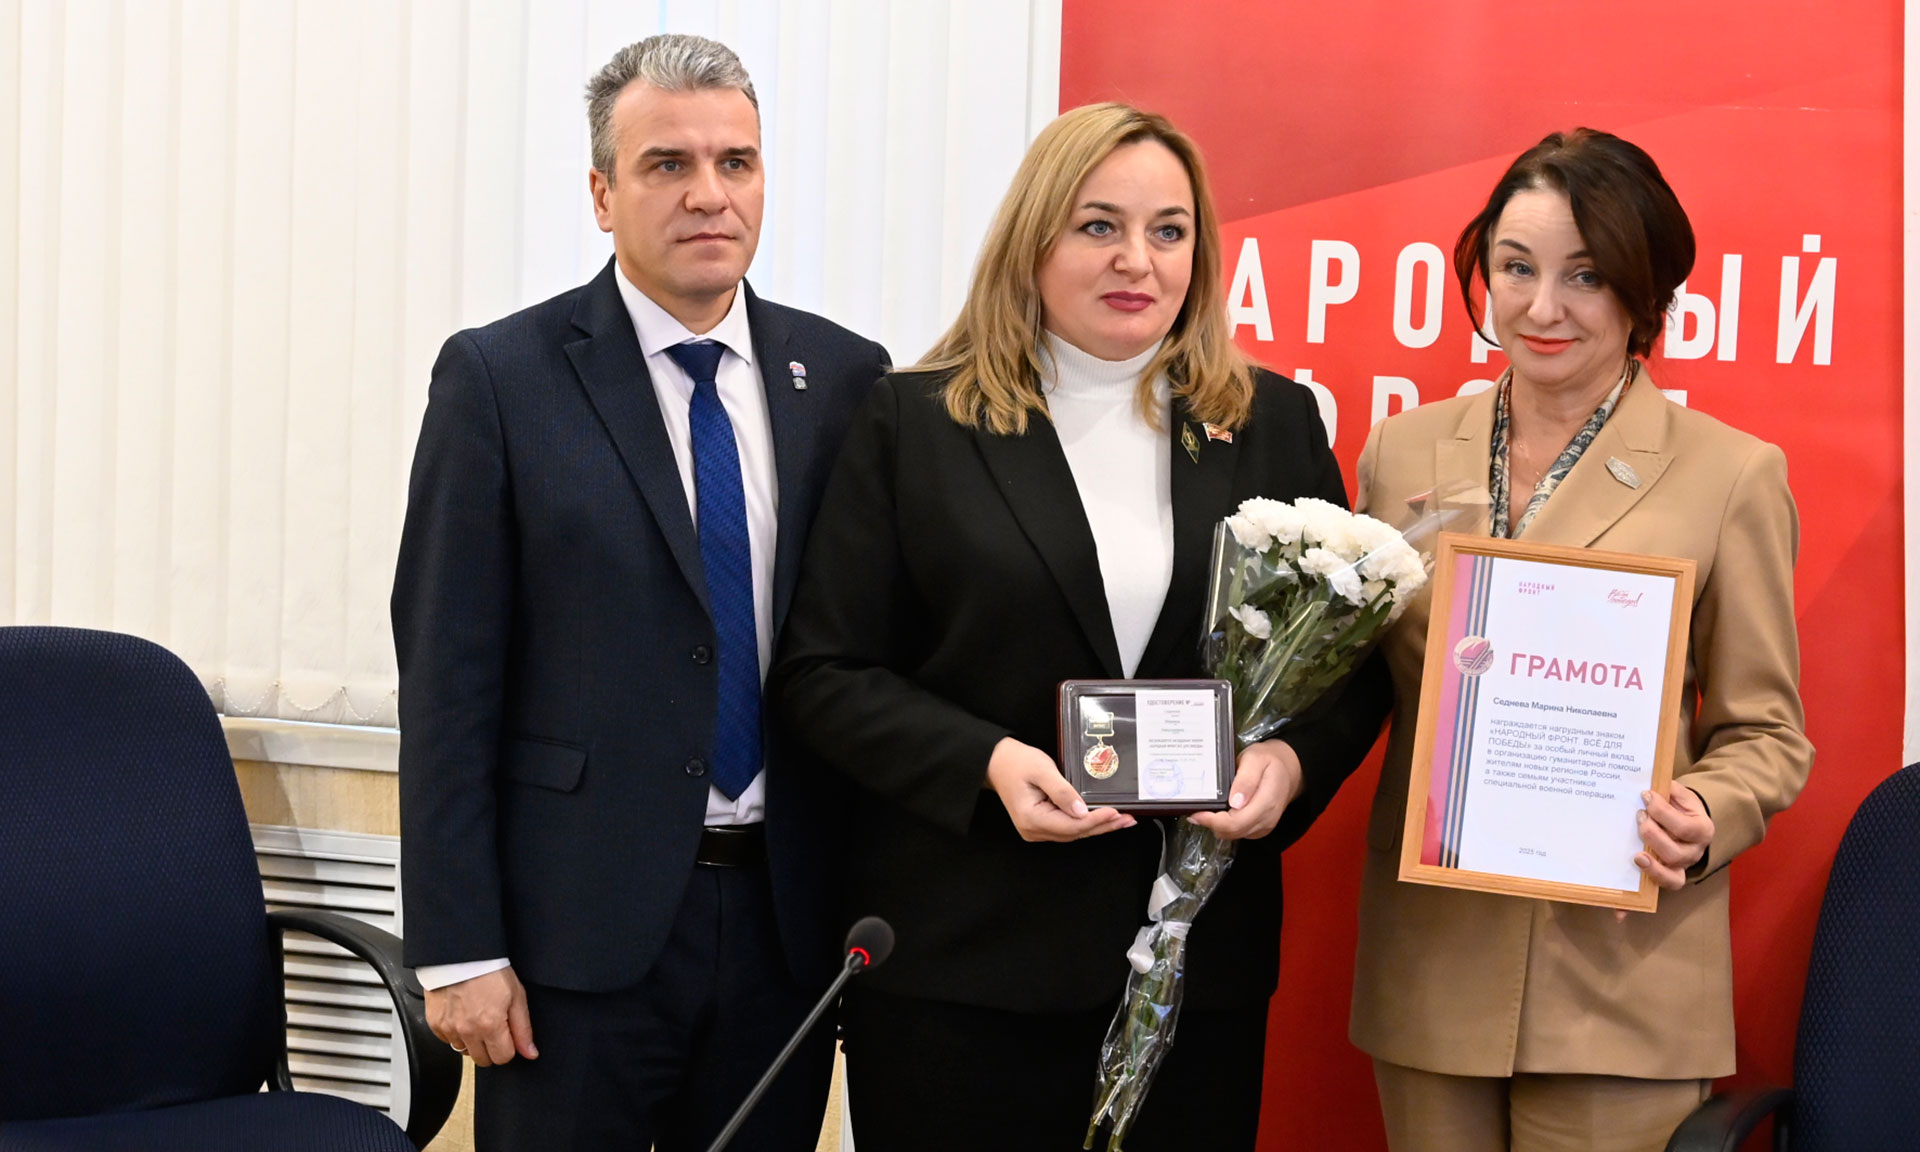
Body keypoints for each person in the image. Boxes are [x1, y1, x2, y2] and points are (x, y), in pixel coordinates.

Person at [767, 102, 1385, 1152]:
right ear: (1034, 240)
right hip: (964, 968)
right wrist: (988, 764)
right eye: (1099, 225)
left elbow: (1351, 665)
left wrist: (1288, 765)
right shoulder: (916, 420)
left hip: (1195, 968)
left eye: (1168, 230)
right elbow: (824, 673)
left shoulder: (1271, 421)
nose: (1136, 259)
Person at [391, 34, 889, 1152]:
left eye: (736, 162)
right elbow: (447, 677)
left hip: (783, 927)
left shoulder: (845, 377)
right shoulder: (500, 378)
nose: (710, 194)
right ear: (602, 194)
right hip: (575, 938)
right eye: (669, 164)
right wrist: (459, 947)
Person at [1348, 128, 1814, 1152]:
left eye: (1586, 276)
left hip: (1622, 972)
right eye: (1516, 267)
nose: (1541, 307)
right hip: (1435, 960)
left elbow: (1768, 733)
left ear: (1646, 296)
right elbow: (1352, 685)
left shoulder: (1732, 474)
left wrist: (1705, 811)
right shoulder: (1402, 454)